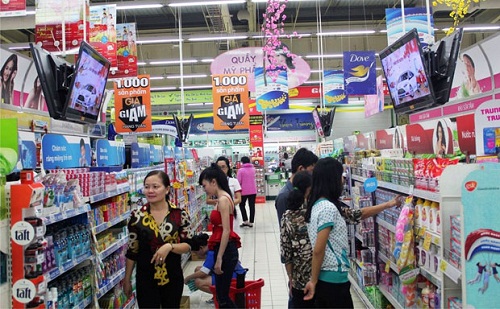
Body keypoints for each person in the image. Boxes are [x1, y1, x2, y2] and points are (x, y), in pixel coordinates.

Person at [303, 157, 402, 308]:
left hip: (330, 279)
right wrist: (313, 281)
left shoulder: (319, 205)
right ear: (332, 179)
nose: (342, 181)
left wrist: (389, 204)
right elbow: (318, 249)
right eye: (340, 176)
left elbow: (357, 214)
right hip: (332, 280)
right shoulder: (327, 208)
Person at [124, 170, 192, 308]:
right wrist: (127, 280)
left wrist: (170, 247)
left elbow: (188, 246)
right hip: (145, 278)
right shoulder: (136, 217)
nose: (150, 191)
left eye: (155, 187)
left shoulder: (179, 215)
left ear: (167, 189)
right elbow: (132, 251)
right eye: (147, 186)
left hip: (172, 276)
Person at [199, 164, 241, 308]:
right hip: (225, 249)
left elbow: (226, 231)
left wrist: (219, 258)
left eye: (204, 186)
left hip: (226, 251)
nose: (204, 189)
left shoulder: (223, 200)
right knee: (222, 295)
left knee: (222, 296)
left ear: (213, 182)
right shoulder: (224, 198)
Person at [280, 171, 315, 308]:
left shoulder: (287, 216)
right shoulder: (314, 211)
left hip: (298, 281)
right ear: (309, 189)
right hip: (318, 277)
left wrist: (291, 279)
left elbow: (286, 254)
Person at [184, 233, 245, 302]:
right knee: (198, 269)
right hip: (232, 273)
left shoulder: (211, 253)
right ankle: (218, 295)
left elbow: (204, 272)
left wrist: (187, 278)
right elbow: (204, 270)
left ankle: (220, 296)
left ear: (201, 248)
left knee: (198, 282)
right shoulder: (211, 249)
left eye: (195, 253)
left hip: (234, 277)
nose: (196, 255)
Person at [275, 148, 318, 225]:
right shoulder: (284, 196)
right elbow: (285, 229)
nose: (313, 174)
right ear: (301, 169)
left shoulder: (308, 191)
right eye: (312, 170)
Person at [237, 156, 257, 227]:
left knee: (242, 205)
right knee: (252, 206)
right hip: (253, 190)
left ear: (242, 162)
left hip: (243, 191)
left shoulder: (240, 170)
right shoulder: (253, 169)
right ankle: (251, 222)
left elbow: (238, 181)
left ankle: (245, 221)